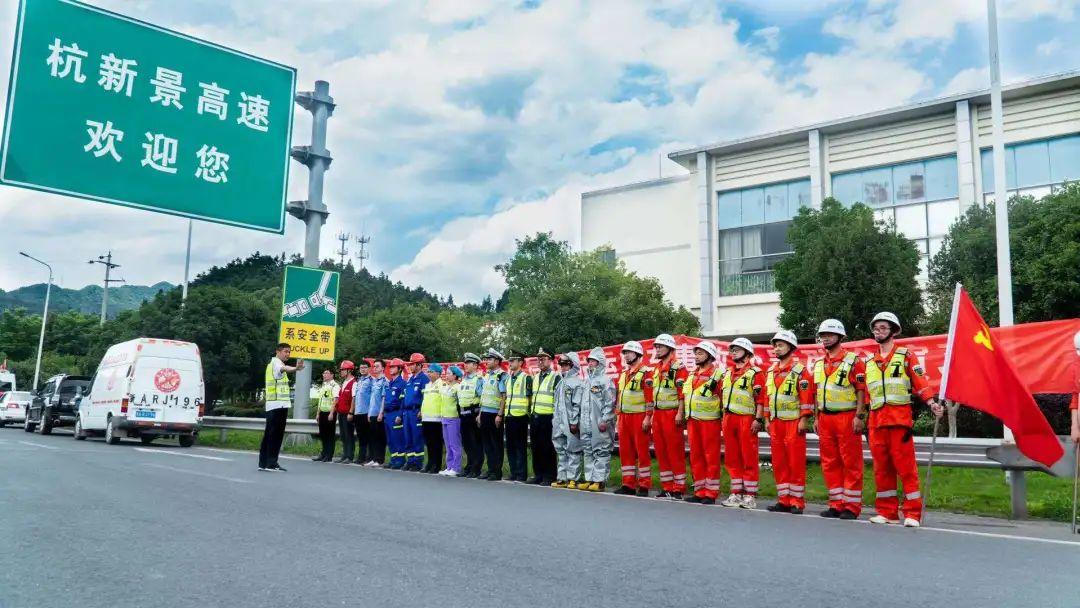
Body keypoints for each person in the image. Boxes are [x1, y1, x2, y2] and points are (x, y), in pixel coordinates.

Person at [865, 312, 943, 528]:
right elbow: (866, 392)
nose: (879, 331)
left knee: (905, 468)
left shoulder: (906, 355)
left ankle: (912, 513)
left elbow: (921, 382)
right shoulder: (870, 361)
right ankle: (887, 512)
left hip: (899, 420)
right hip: (876, 422)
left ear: (893, 331)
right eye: (876, 328)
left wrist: (931, 403)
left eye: (883, 328)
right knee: (882, 469)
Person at [813, 319, 867, 520]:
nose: (825, 338)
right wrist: (817, 418)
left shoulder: (854, 361)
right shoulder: (819, 363)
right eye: (823, 335)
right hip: (825, 418)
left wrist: (859, 416)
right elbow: (818, 392)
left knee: (851, 462)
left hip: (847, 416)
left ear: (840, 337)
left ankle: (851, 506)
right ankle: (836, 503)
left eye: (829, 334)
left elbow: (862, 390)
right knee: (829, 462)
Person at [764, 330, 814, 514]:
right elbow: (767, 398)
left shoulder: (800, 371)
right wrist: (767, 420)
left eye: (780, 345)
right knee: (779, 462)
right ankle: (783, 499)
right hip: (776, 423)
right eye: (775, 346)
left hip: (793, 422)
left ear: (791, 348)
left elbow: (806, 398)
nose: (776, 349)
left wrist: (804, 419)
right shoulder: (771, 371)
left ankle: (797, 501)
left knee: (795, 462)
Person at [719, 337, 766, 509]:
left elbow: (761, 399)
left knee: (748, 456)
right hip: (729, 418)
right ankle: (735, 493)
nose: (733, 352)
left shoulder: (755, 373)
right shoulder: (728, 373)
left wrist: (758, 419)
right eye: (732, 349)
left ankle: (750, 495)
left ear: (747, 353)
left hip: (746, 419)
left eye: (737, 349)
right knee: (732, 458)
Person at [678, 341, 724, 504]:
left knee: (710, 457)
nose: (696, 356)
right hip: (692, 421)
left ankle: (711, 493)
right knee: (696, 456)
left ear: (710, 356)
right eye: (695, 353)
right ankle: (699, 491)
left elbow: (723, 399)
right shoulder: (692, 374)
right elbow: (684, 396)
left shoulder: (718, 375)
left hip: (710, 421)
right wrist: (681, 413)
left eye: (700, 353)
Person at [614, 340, 655, 497]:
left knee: (642, 452)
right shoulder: (624, 374)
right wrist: (618, 417)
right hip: (624, 418)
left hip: (639, 418)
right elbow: (620, 397)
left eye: (629, 352)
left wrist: (648, 418)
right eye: (624, 353)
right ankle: (628, 484)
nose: (626, 355)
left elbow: (650, 399)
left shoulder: (646, 373)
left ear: (638, 354)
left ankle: (644, 486)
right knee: (625, 451)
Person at [651, 333, 688, 499]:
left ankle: (678, 488)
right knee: (661, 451)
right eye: (656, 347)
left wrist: (680, 412)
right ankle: (667, 486)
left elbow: (682, 394)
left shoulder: (678, 368)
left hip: (672, 414)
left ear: (670, 348)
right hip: (658, 414)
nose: (657, 349)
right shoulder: (657, 368)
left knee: (674, 451)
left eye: (660, 346)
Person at [259, 343, 304, 472]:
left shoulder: (275, 364)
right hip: (277, 405)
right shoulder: (276, 363)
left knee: (271, 435)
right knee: (275, 435)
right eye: (285, 351)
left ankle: (265, 463)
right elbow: (284, 369)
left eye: (289, 352)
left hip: (277, 405)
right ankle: (271, 463)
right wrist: (296, 369)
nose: (288, 354)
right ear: (277, 352)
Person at [580, 347, 615, 492]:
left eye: (593, 361)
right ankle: (590, 479)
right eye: (589, 361)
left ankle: (599, 480)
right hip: (586, 422)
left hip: (599, 422)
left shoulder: (606, 381)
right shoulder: (586, 381)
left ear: (600, 363)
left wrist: (605, 420)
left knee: (601, 450)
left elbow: (610, 403)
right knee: (588, 450)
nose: (590, 364)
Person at [551, 352, 585, 488]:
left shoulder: (577, 383)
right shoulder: (561, 382)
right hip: (559, 421)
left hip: (571, 422)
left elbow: (577, 404)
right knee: (560, 448)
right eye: (561, 364)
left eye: (565, 364)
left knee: (573, 449)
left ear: (573, 365)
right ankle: (562, 477)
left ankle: (573, 478)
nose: (562, 367)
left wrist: (574, 421)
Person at [528, 348, 560, 485]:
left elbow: (558, 399)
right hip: (535, 416)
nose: (540, 361)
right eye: (539, 359)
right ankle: (538, 474)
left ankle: (549, 475)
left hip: (548, 417)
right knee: (536, 447)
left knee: (548, 447)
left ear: (551, 360)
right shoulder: (535, 377)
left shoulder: (556, 377)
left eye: (543, 359)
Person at [504, 351, 534, 483]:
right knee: (510, 446)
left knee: (520, 446)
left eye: (513, 361)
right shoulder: (509, 378)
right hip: (509, 415)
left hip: (520, 416)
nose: (510, 363)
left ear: (520, 363)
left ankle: (521, 474)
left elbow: (530, 398)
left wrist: (528, 414)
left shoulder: (526, 378)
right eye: (509, 361)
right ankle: (513, 472)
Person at [479, 349, 508, 481]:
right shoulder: (486, 375)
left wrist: (500, 415)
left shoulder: (501, 375)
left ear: (497, 361)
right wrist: (480, 413)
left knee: (496, 444)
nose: (486, 361)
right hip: (484, 413)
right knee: (487, 444)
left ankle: (496, 471)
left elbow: (504, 396)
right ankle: (490, 469)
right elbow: (484, 396)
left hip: (495, 414)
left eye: (489, 359)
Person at [458, 353, 485, 478]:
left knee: (476, 443)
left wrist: (480, 415)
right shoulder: (464, 379)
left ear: (475, 365)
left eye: (468, 363)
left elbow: (482, 398)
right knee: (467, 442)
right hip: (463, 414)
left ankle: (476, 468)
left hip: (473, 414)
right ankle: (469, 465)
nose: (466, 365)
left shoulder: (478, 380)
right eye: (465, 363)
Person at [403, 353, 429, 471]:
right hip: (407, 413)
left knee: (417, 438)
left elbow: (426, 397)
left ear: (419, 365)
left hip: (416, 412)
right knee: (408, 437)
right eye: (410, 364)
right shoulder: (410, 379)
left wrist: (421, 410)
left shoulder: (424, 379)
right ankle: (410, 460)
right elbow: (405, 397)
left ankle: (418, 462)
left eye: (413, 364)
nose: (411, 366)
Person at [381, 358, 408, 469]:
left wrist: (400, 415)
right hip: (388, 414)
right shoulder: (390, 383)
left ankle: (400, 460)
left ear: (400, 369)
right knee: (390, 439)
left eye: (393, 367)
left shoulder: (402, 383)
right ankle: (393, 459)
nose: (391, 369)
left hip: (396, 413)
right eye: (390, 367)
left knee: (398, 438)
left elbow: (403, 401)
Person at [420, 363, 445, 474]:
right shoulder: (427, 385)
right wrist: (421, 411)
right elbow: (425, 400)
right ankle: (430, 463)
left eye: (431, 372)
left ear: (438, 373)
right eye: (428, 372)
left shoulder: (441, 384)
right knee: (429, 443)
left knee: (436, 443)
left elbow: (444, 400)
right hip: (426, 418)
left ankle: (436, 465)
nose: (428, 374)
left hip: (437, 419)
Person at [440, 366, 465, 476]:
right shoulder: (445, 387)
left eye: (449, 373)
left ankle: (456, 467)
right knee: (448, 444)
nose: (446, 375)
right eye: (446, 373)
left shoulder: (458, 387)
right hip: (444, 418)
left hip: (454, 418)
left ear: (455, 376)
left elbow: (461, 404)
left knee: (455, 444)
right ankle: (449, 466)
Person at [333, 360, 357, 464]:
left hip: (348, 413)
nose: (341, 372)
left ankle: (350, 456)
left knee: (349, 435)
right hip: (341, 413)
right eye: (341, 370)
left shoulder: (354, 383)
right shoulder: (344, 382)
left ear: (349, 370)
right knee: (343, 435)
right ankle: (344, 455)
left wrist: (351, 412)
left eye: (343, 370)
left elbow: (353, 398)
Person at [364, 360, 388, 467]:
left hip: (379, 413)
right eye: (374, 366)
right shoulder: (374, 381)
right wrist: (369, 413)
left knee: (379, 437)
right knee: (372, 436)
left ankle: (379, 459)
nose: (375, 368)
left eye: (377, 366)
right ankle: (373, 458)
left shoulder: (385, 381)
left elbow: (384, 398)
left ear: (383, 368)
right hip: (372, 412)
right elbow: (371, 399)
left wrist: (381, 412)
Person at [312, 369, 339, 462]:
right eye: (323, 373)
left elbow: (335, 400)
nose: (324, 375)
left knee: (329, 435)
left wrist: (332, 413)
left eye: (326, 373)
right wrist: (318, 413)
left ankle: (329, 455)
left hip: (330, 412)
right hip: (322, 412)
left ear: (332, 375)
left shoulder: (335, 385)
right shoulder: (324, 385)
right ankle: (323, 453)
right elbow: (321, 400)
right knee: (323, 434)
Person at [353, 359, 374, 465]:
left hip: (367, 412)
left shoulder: (372, 380)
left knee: (369, 436)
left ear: (369, 369)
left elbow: (373, 397)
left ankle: (370, 457)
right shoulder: (359, 381)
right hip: (358, 412)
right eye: (361, 368)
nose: (362, 369)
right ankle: (361, 457)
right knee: (361, 437)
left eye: (365, 367)